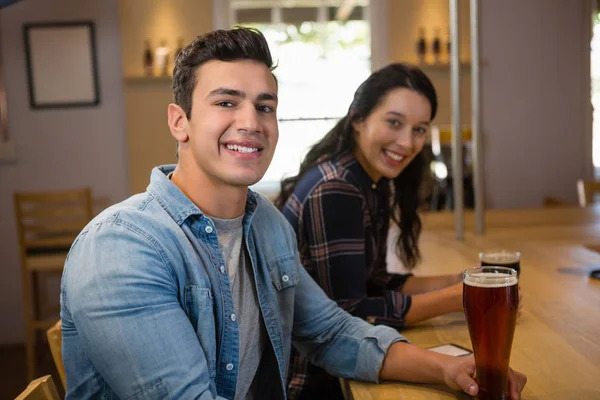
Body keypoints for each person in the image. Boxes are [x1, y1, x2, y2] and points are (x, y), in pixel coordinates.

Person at [60, 28, 526, 399]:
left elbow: (331, 332)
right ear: (179, 121)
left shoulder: (264, 223)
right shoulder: (121, 249)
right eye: (226, 102)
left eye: (265, 106)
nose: (251, 121)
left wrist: (448, 369)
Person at [275, 63, 470, 399]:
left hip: (337, 372)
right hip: (317, 383)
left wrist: (461, 281)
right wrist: (457, 299)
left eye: (420, 129)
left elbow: (374, 281)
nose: (408, 142)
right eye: (394, 122)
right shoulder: (336, 189)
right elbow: (353, 314)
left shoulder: (366, 181)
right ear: (358, 120)